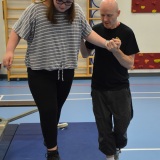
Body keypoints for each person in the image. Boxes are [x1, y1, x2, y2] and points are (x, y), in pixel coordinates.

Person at [3, 0, 121, 160]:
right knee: (48, 110)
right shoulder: (36, 10)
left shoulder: (76, 11)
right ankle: (52, 152)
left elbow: (87, 33)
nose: (64, 5)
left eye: (68, 2)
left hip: (66, 72)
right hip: (40, 72)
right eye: (60, 1)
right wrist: (10, 51)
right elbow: (16, 30)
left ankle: (49, 138)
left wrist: (106, 43)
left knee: (56, 110)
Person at [81, 0, 140, 160]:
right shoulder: (97, 30)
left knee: (123, 122)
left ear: (118, 13)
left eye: (109, 15)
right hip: (98, 87)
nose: (105, 19)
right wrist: (80, 37)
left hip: (120, 88)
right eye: (102, 15)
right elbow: (85, 54)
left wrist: (116, 51)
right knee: (103, 126)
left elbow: (129, 63)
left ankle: (117, 145)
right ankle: (109, 155)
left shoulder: (127, 32)